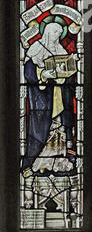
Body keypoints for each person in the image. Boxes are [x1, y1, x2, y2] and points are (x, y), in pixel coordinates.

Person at [22, 22, 75, 176]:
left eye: (58, 35)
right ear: (47, 33)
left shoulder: (60, 49)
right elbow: (28, 72)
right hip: (41, 98)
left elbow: (67, 72)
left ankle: (57, 161)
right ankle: (38, 162)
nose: (56, 37)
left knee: (58, 127)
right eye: (54, 34)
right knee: (41, 129)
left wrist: (68, 71)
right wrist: (42, 75)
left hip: (57, 95)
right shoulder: (36, 49)